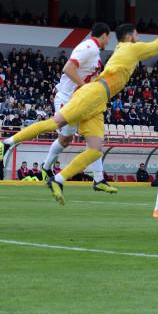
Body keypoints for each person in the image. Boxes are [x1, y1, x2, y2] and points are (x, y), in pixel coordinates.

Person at [0, 24, 158, 204]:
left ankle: (59, 180)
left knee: (95, 149)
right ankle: (7, 143)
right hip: (93, 93)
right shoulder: (129, 48)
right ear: (130, 36)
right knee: (55, 124)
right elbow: (155, 46)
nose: (139, 37)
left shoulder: (119, 50)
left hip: (100, 100)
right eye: (137, 34)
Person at [41, 23, 116, 194]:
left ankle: (99, 179)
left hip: (84, 100)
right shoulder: (87, 47)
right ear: (104, 35)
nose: (109, 41)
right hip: (68, 99)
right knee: (65, 140)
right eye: (109, 37)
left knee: (94, 139)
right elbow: (68, 69)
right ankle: (46, 167)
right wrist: (84, 87)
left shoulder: (95, 54)